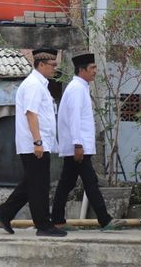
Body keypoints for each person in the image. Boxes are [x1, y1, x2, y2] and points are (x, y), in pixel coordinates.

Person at [0, 48, 67, 237]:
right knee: (38, 185)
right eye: (52, 65)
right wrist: (38, 141)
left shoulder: (40, 84)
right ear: (41, 65)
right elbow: (31, 114)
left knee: (33, 183)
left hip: (38, 143)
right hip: (35, 144)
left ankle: (5, 212)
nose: (54, 69)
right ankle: (43, 225)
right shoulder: (33, 85)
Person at [51, 53, 126, 232]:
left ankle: (58, 220)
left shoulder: (80, 87)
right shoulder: (77, 88)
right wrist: (78, 144)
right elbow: (74, 118)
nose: (95, 72)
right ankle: (105, 220)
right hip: (78, 147)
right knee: (90, 183)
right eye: (92, 68)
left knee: (67, 184)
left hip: (79, 146)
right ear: (82, 69)